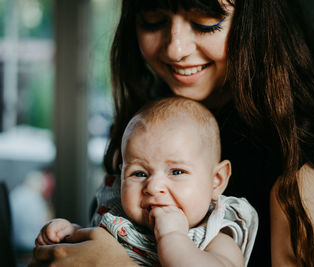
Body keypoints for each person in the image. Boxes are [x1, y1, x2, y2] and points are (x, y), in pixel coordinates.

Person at [31, 0, 314, 266]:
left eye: (205, 22)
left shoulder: (299, 167)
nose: (174, 48)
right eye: (153, 20)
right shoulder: (147, 122)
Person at [35, 97, 258, 266]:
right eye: (139, 174)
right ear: (121, 177)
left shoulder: (215, 238)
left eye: (177, 171)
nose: (153, 187)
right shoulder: (118, 216)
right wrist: (70, 235)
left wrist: (173, 236)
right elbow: (91, 253)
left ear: (216, 181)